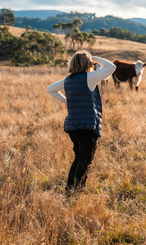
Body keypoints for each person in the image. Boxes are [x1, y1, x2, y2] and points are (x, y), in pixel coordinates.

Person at [47, 51, 116, 194]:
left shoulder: (67, 80)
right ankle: (76, 191)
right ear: (88, 63)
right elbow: (111, 67)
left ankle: (70, 188)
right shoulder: (89, 78)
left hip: (73, 126)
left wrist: (66, 101)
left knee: (79, 158)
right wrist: (94, 58)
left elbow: (51, 89)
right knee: (85, 161)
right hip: (88, 126)